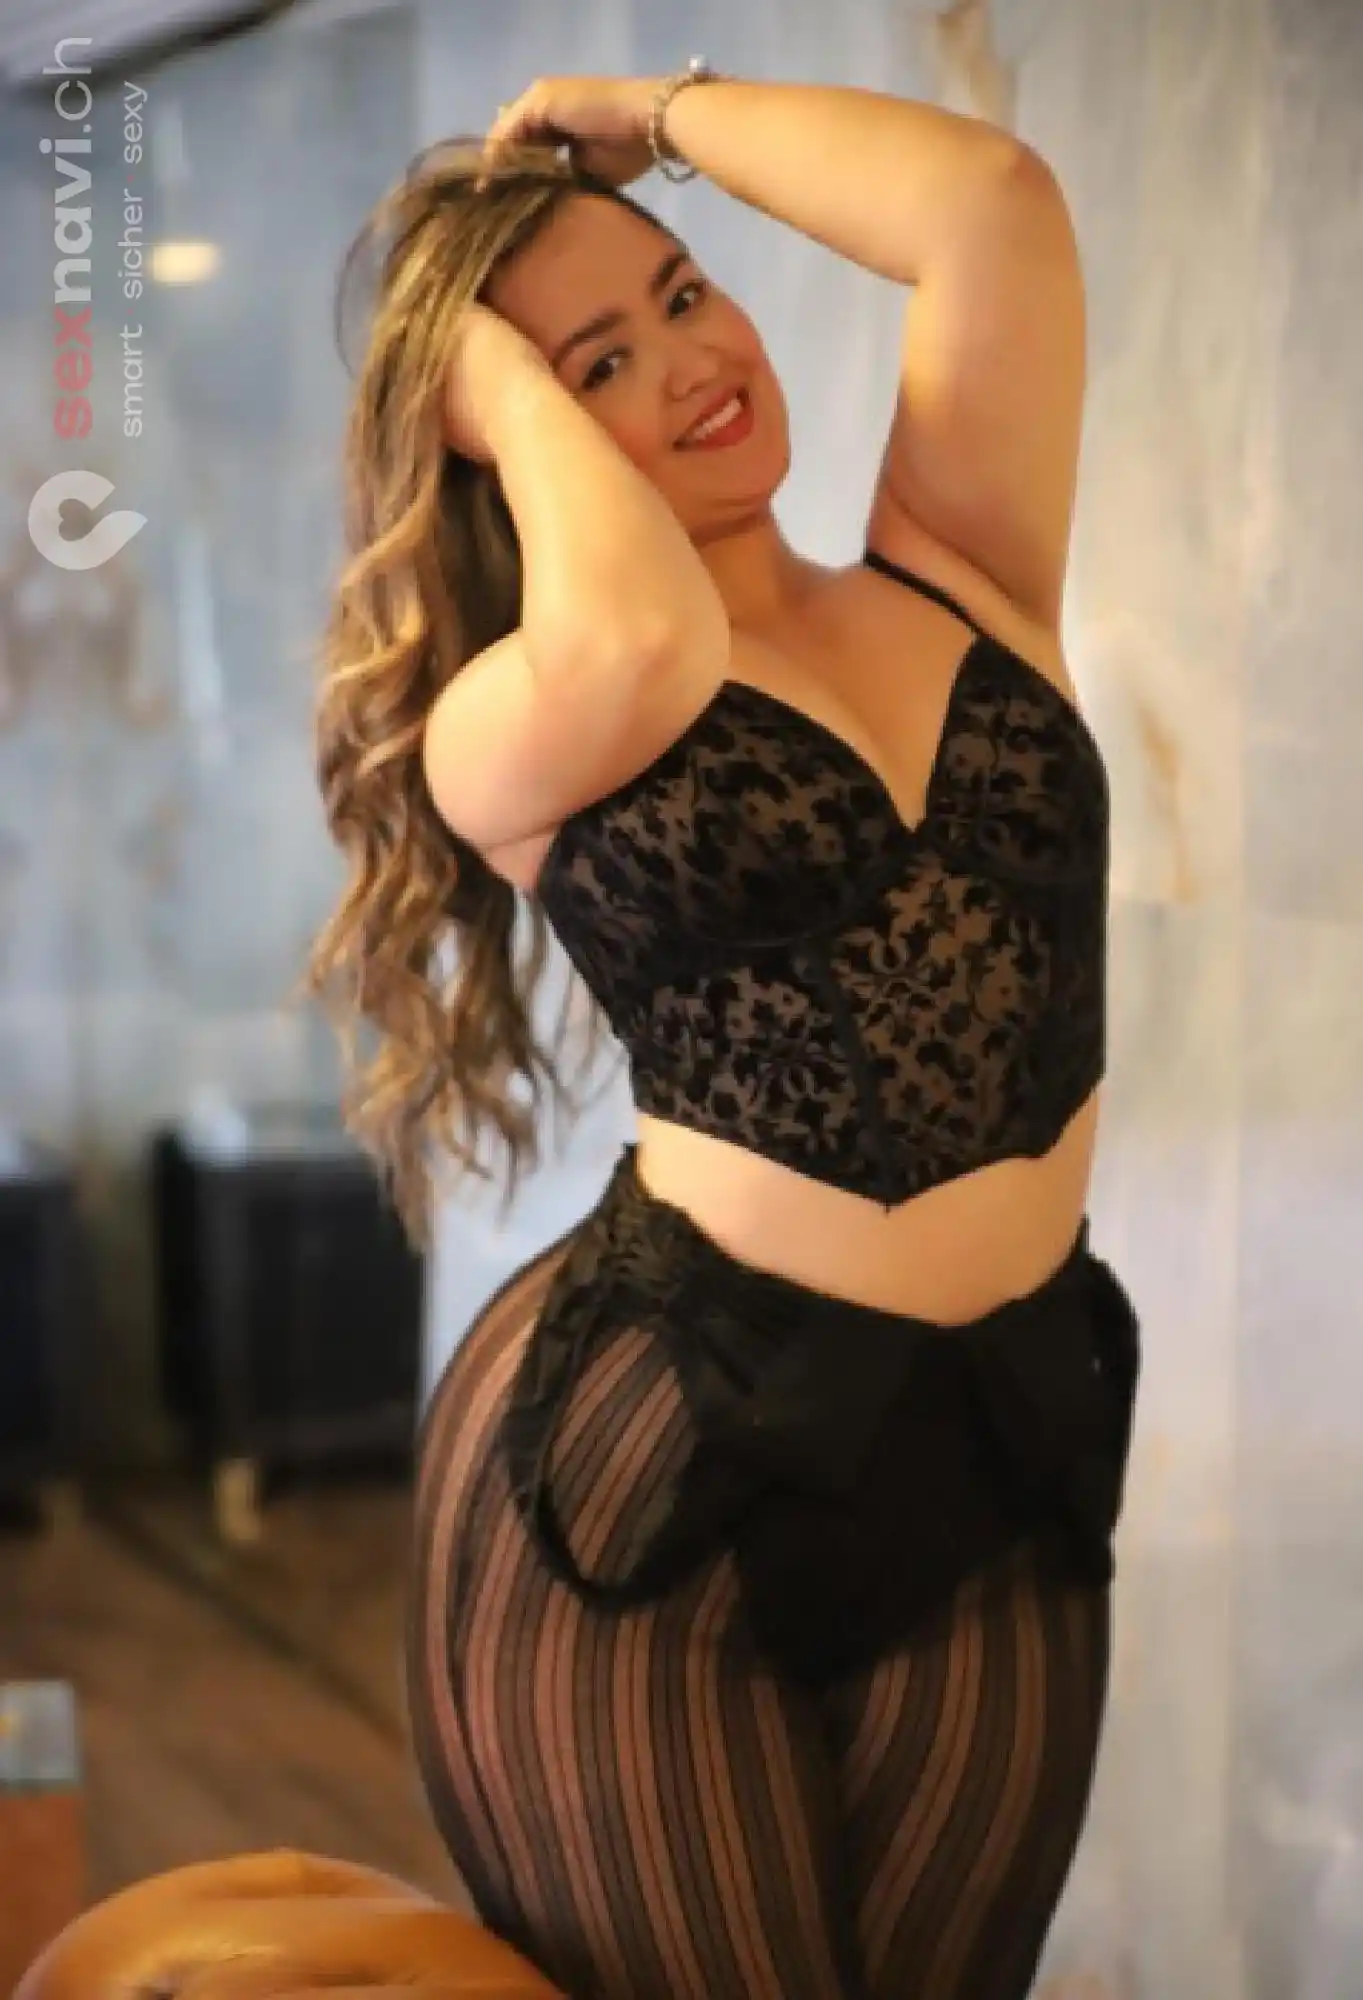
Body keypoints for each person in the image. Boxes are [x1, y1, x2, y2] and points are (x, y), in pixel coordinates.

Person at [306, 68, 1141, 2000]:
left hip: (1003, 1430)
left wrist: (651, 115)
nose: (689, 363)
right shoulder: (511, 723)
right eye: (595, 366)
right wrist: (470, 359)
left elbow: (992, 207)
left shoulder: (958, 567)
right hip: (658, 1480)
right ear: (501, 446)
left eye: (681, 295)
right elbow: (641, 640)